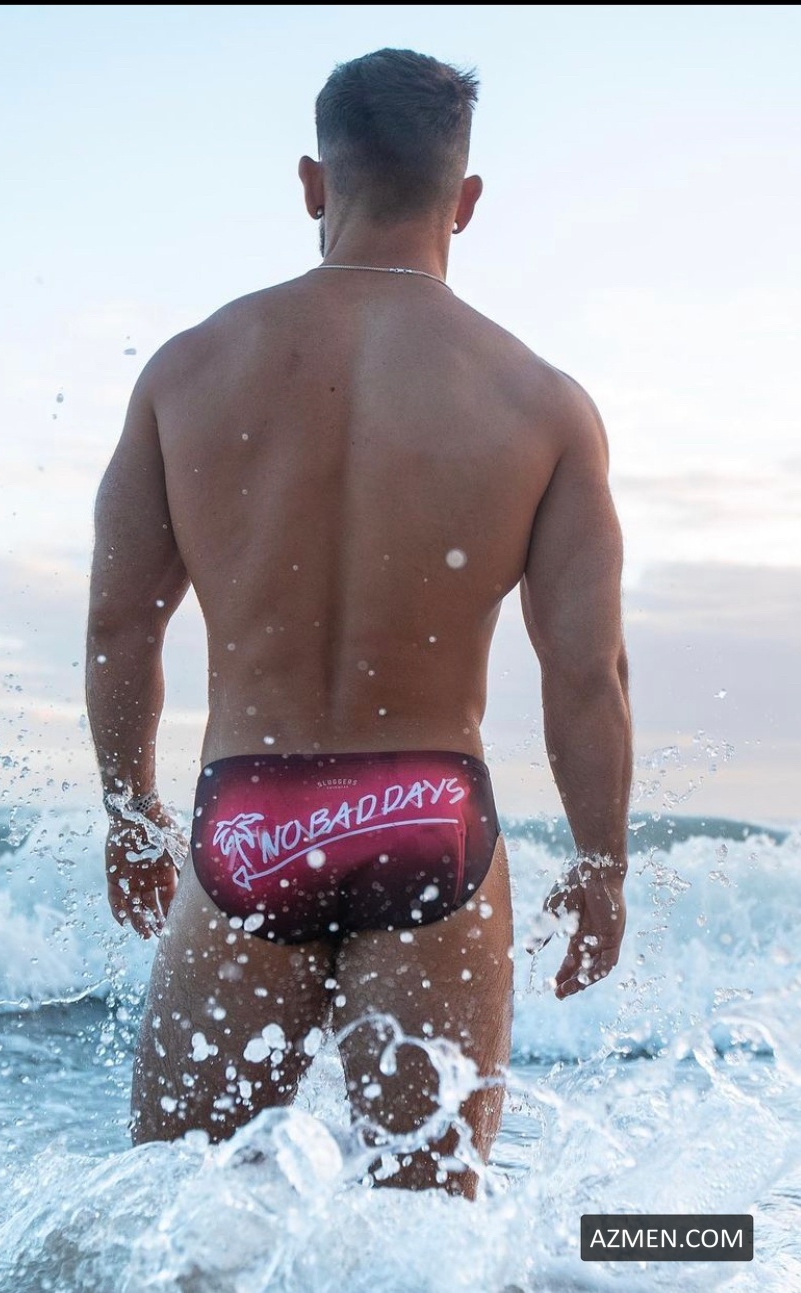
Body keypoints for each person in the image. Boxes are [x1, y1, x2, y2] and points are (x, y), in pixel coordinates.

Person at [85, 47, 631, 1200]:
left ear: (312, 183)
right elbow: (585, 672)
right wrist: (601, 865)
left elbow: (119, 628)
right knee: (425, 1237)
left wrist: (131, 814)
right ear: (464, 201)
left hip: (249, 819)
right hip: (429, 814)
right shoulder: (539, 401)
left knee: (183, 1221)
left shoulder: (188, 371)